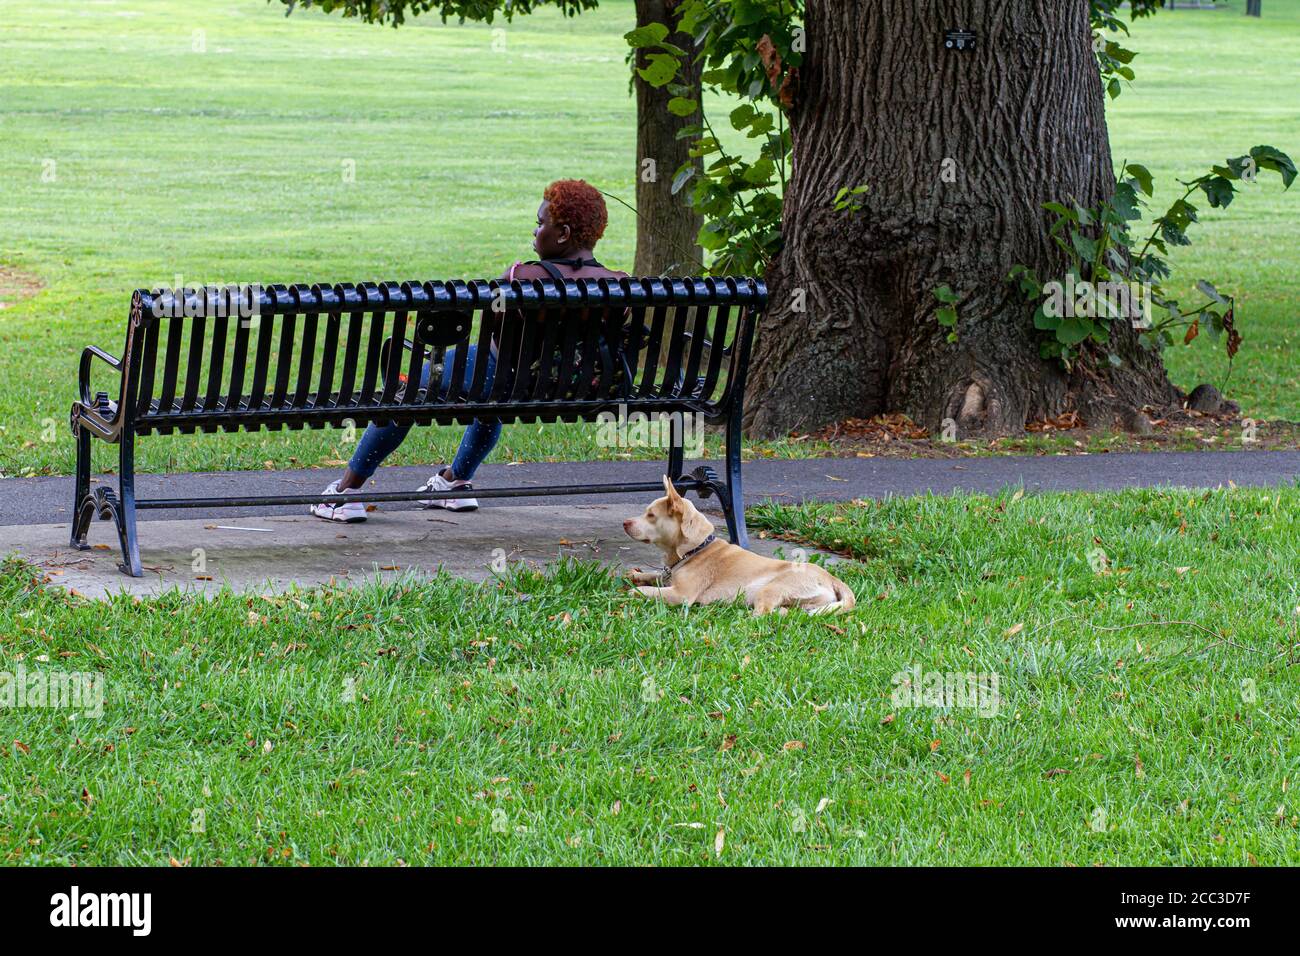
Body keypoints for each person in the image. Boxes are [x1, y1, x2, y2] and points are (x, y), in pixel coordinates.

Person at [312, 179, 628, 522]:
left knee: (410, 386)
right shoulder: (622, 284)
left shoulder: (521, 276)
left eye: (540, 225)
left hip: (503, 380)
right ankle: (455, 483)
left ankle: (345, 493)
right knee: (490, 388)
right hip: (571, 389)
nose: (534, 232)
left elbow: (474, 301)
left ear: (563, 233)